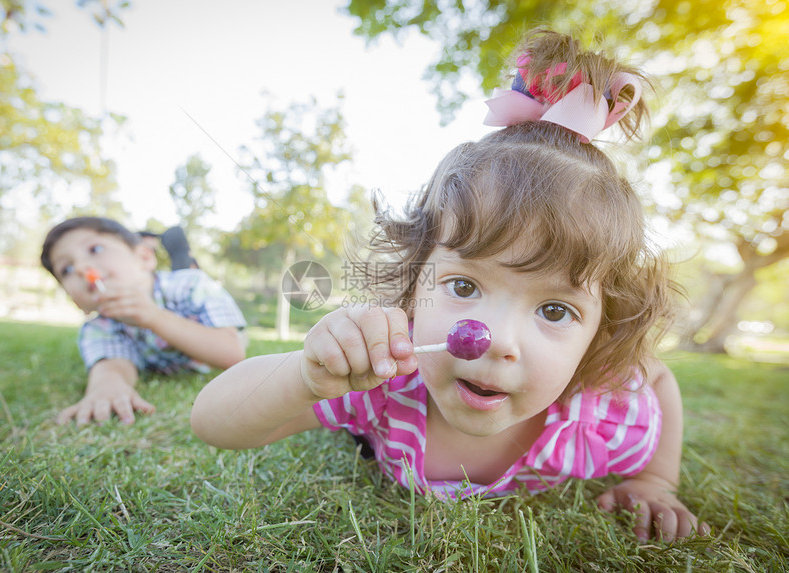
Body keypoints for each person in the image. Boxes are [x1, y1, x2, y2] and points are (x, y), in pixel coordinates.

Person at [190, 29, 709, 542]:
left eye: (554, 311)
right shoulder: (385, 381)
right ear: (416, 284)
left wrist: (656, 479)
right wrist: (305, 378)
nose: (497, 340)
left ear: (600, 335)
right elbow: (213, 423)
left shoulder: (596, 420)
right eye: (463, 286)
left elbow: (657, 378)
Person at [41, 216, 247, 425]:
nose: (81, 268)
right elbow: (112, 366)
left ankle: (181, 252)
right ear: (76, 303)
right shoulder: (99, 328)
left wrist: (153, 316)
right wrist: (107, 387)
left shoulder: (191, 285)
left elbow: (231, 353)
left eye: (95, 250)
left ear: (144, 257)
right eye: (66, 269)